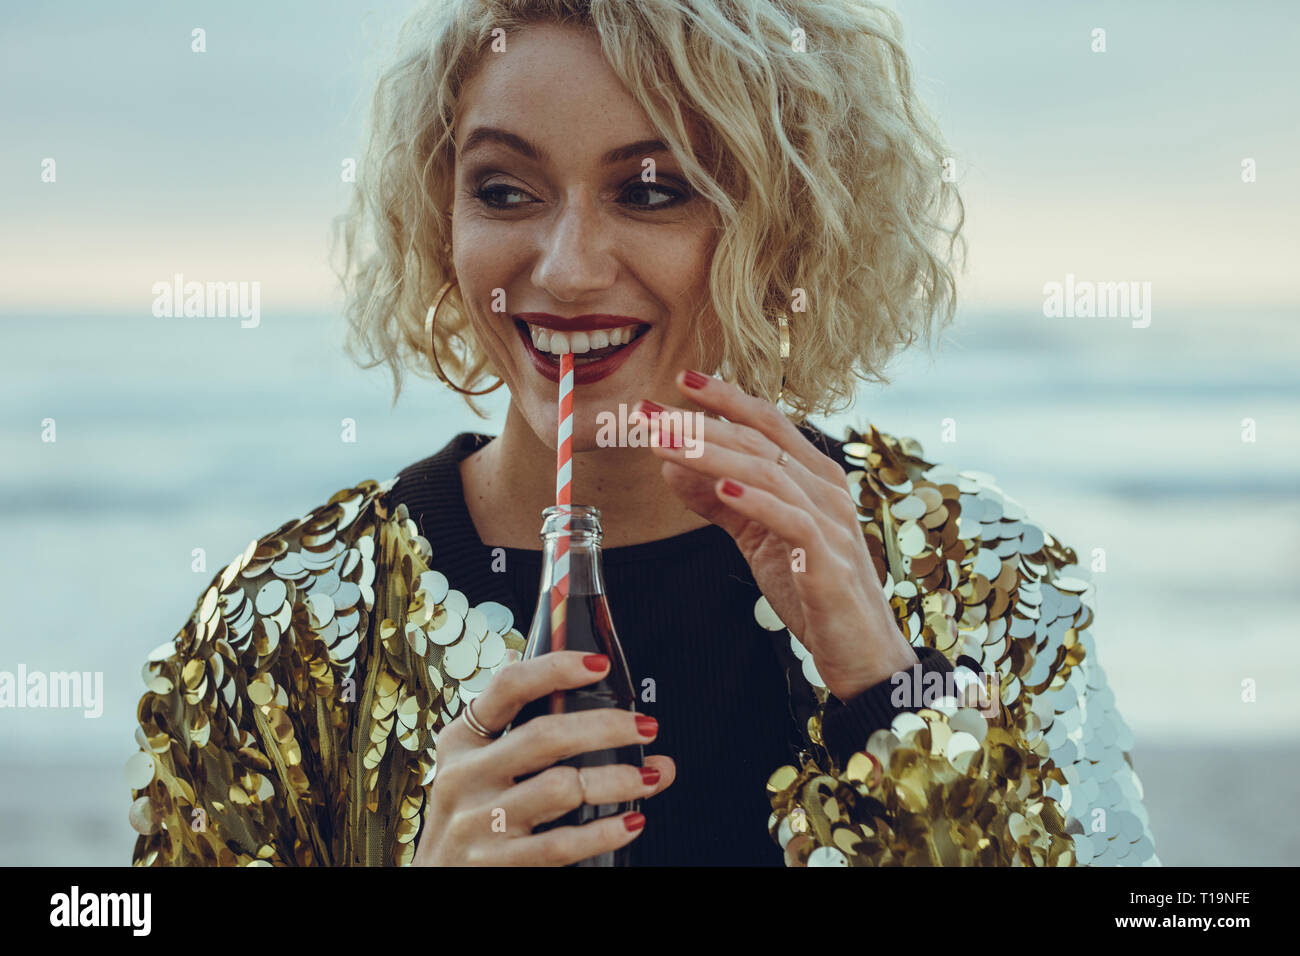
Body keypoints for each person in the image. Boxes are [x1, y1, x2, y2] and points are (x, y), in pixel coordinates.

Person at [125, 0, 1158, 866]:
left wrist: (889, 689)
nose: (568, 267)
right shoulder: (283, 624)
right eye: (503, 188)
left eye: (652, 190)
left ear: (788, 222)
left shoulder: (984, 575)